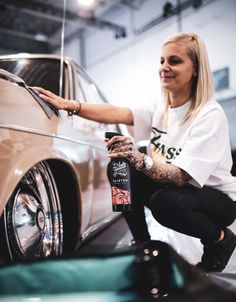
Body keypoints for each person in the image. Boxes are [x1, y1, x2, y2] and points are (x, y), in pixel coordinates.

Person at [33, 32, 236, 273]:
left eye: (175, 61)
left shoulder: (208, 115)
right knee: (119, 168)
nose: (164, 67)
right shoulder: (160, 106)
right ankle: (141, 243)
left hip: (214, 198)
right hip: (178, 190)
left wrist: (140, 159)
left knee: (164, 202)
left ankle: (220, 240)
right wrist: (71, 106)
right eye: (162, 61)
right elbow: (117, 112)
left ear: (195, 69)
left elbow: (181, 177)